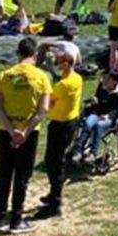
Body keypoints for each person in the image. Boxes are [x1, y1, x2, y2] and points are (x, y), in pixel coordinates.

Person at [0, 36, 52, 234]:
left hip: (6, 132)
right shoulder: (42, 77)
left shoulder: (5, 75)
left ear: (18, 54)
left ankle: (0, 218)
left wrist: (11, 130)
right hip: (29, 133)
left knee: (4, 174)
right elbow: (43, 110)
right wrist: (25, 131)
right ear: (35, 55)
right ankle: (16, 219)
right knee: (22, 176)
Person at [38, 52, 83, 218]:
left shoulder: (63, 85)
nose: (57, 65)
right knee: (56, 160)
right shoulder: (77, 78)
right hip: (71, 122)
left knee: (53, 162)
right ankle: (54, 193)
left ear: (66, 64)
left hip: (60, 125)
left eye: (59, 62)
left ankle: (55, 202)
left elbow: (49, 102)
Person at [77, 71, 118, 163]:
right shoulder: (102, 86)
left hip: (111, 118)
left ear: (115, 81)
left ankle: (93, 153)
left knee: (98, 126)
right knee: (87, 123)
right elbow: (97, 98)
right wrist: (94, 100)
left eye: (108, 79)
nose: (105, 80)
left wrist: (109, 115)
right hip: (97, 112)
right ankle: (78, 150)